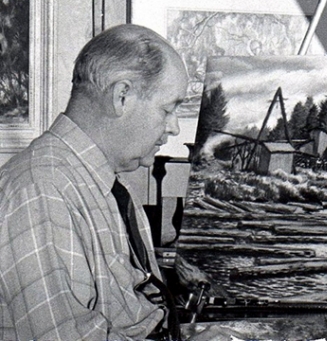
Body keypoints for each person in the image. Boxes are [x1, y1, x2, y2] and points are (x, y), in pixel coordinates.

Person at [0, 24, 189, 341]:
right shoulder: (40, 191)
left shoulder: (99, 182)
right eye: (168, 109)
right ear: (122, 96)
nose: (174, 128)